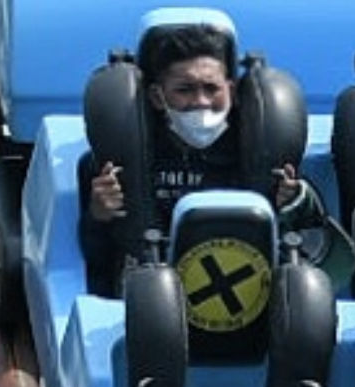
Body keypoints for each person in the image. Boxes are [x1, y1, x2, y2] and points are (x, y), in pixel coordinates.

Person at [79, 20, 332, 299]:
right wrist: (99, 216)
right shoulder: (121, 160)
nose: (201, 101)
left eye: (211, 89)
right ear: (157, 97)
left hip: (251, 292)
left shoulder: (261, 149)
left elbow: (322, 251)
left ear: (231, 92)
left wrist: (293, 204)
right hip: (153, 297)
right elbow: (93, 262)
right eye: (184, 90)